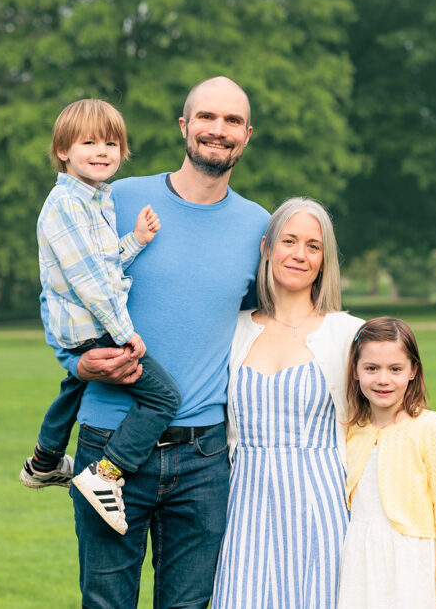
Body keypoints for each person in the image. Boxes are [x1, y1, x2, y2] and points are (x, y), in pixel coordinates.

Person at [46, 77, 269, 608]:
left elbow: (263, 321)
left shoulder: (258, 225)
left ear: (247, 134)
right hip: (108, 442)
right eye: (207, 117)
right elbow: (55, 288)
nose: (218, 130)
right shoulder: (113, 199)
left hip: (203, 455)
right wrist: (77, 366)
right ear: (184, 126)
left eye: (232, 121)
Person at [20, 98, 181, 537]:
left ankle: (45, 460)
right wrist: (127, 335)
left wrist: (136, 240)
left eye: (111, 143)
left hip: (82, 330)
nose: (102, 151)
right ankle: (106, 473)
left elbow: (103, 262)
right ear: (63, 150)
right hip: (95, 331)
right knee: (165, 397)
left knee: (75, 384)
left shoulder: (94, 200)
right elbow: (91, 283)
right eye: (89, 142)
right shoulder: (66, 205)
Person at [212, 197, 364, 609]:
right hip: (246, 506)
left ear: (324, 259)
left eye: (313, 246)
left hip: (323, 507)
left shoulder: (349, 334)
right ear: (267, 247)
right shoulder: (234, 330)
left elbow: (383, 431)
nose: (299, 254)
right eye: (289, 241)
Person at [337, 316, 436, 609]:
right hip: (358, 565)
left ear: (412, 371)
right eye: (371, 368)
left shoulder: (430, 428)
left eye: (395, 369)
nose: (383, 379)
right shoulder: (348, 429)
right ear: (355, 371)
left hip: (411, 565)